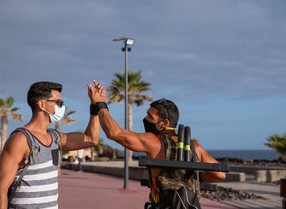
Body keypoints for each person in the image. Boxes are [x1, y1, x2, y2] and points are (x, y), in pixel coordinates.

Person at [88, 80, 226, 207]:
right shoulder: (196, 147)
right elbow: (220, 174)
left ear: (164, 123)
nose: (145, 119)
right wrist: (197, 178)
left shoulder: (154, 142)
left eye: (150, 116)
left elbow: (114, 133)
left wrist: (99, 103)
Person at [0, 81, 101, 209]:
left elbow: (91, 139)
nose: (62, 107)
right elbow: (0, 189)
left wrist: (96, 105)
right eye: (59, 103)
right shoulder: (20, 139)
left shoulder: (55, 137)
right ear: (42, 104)